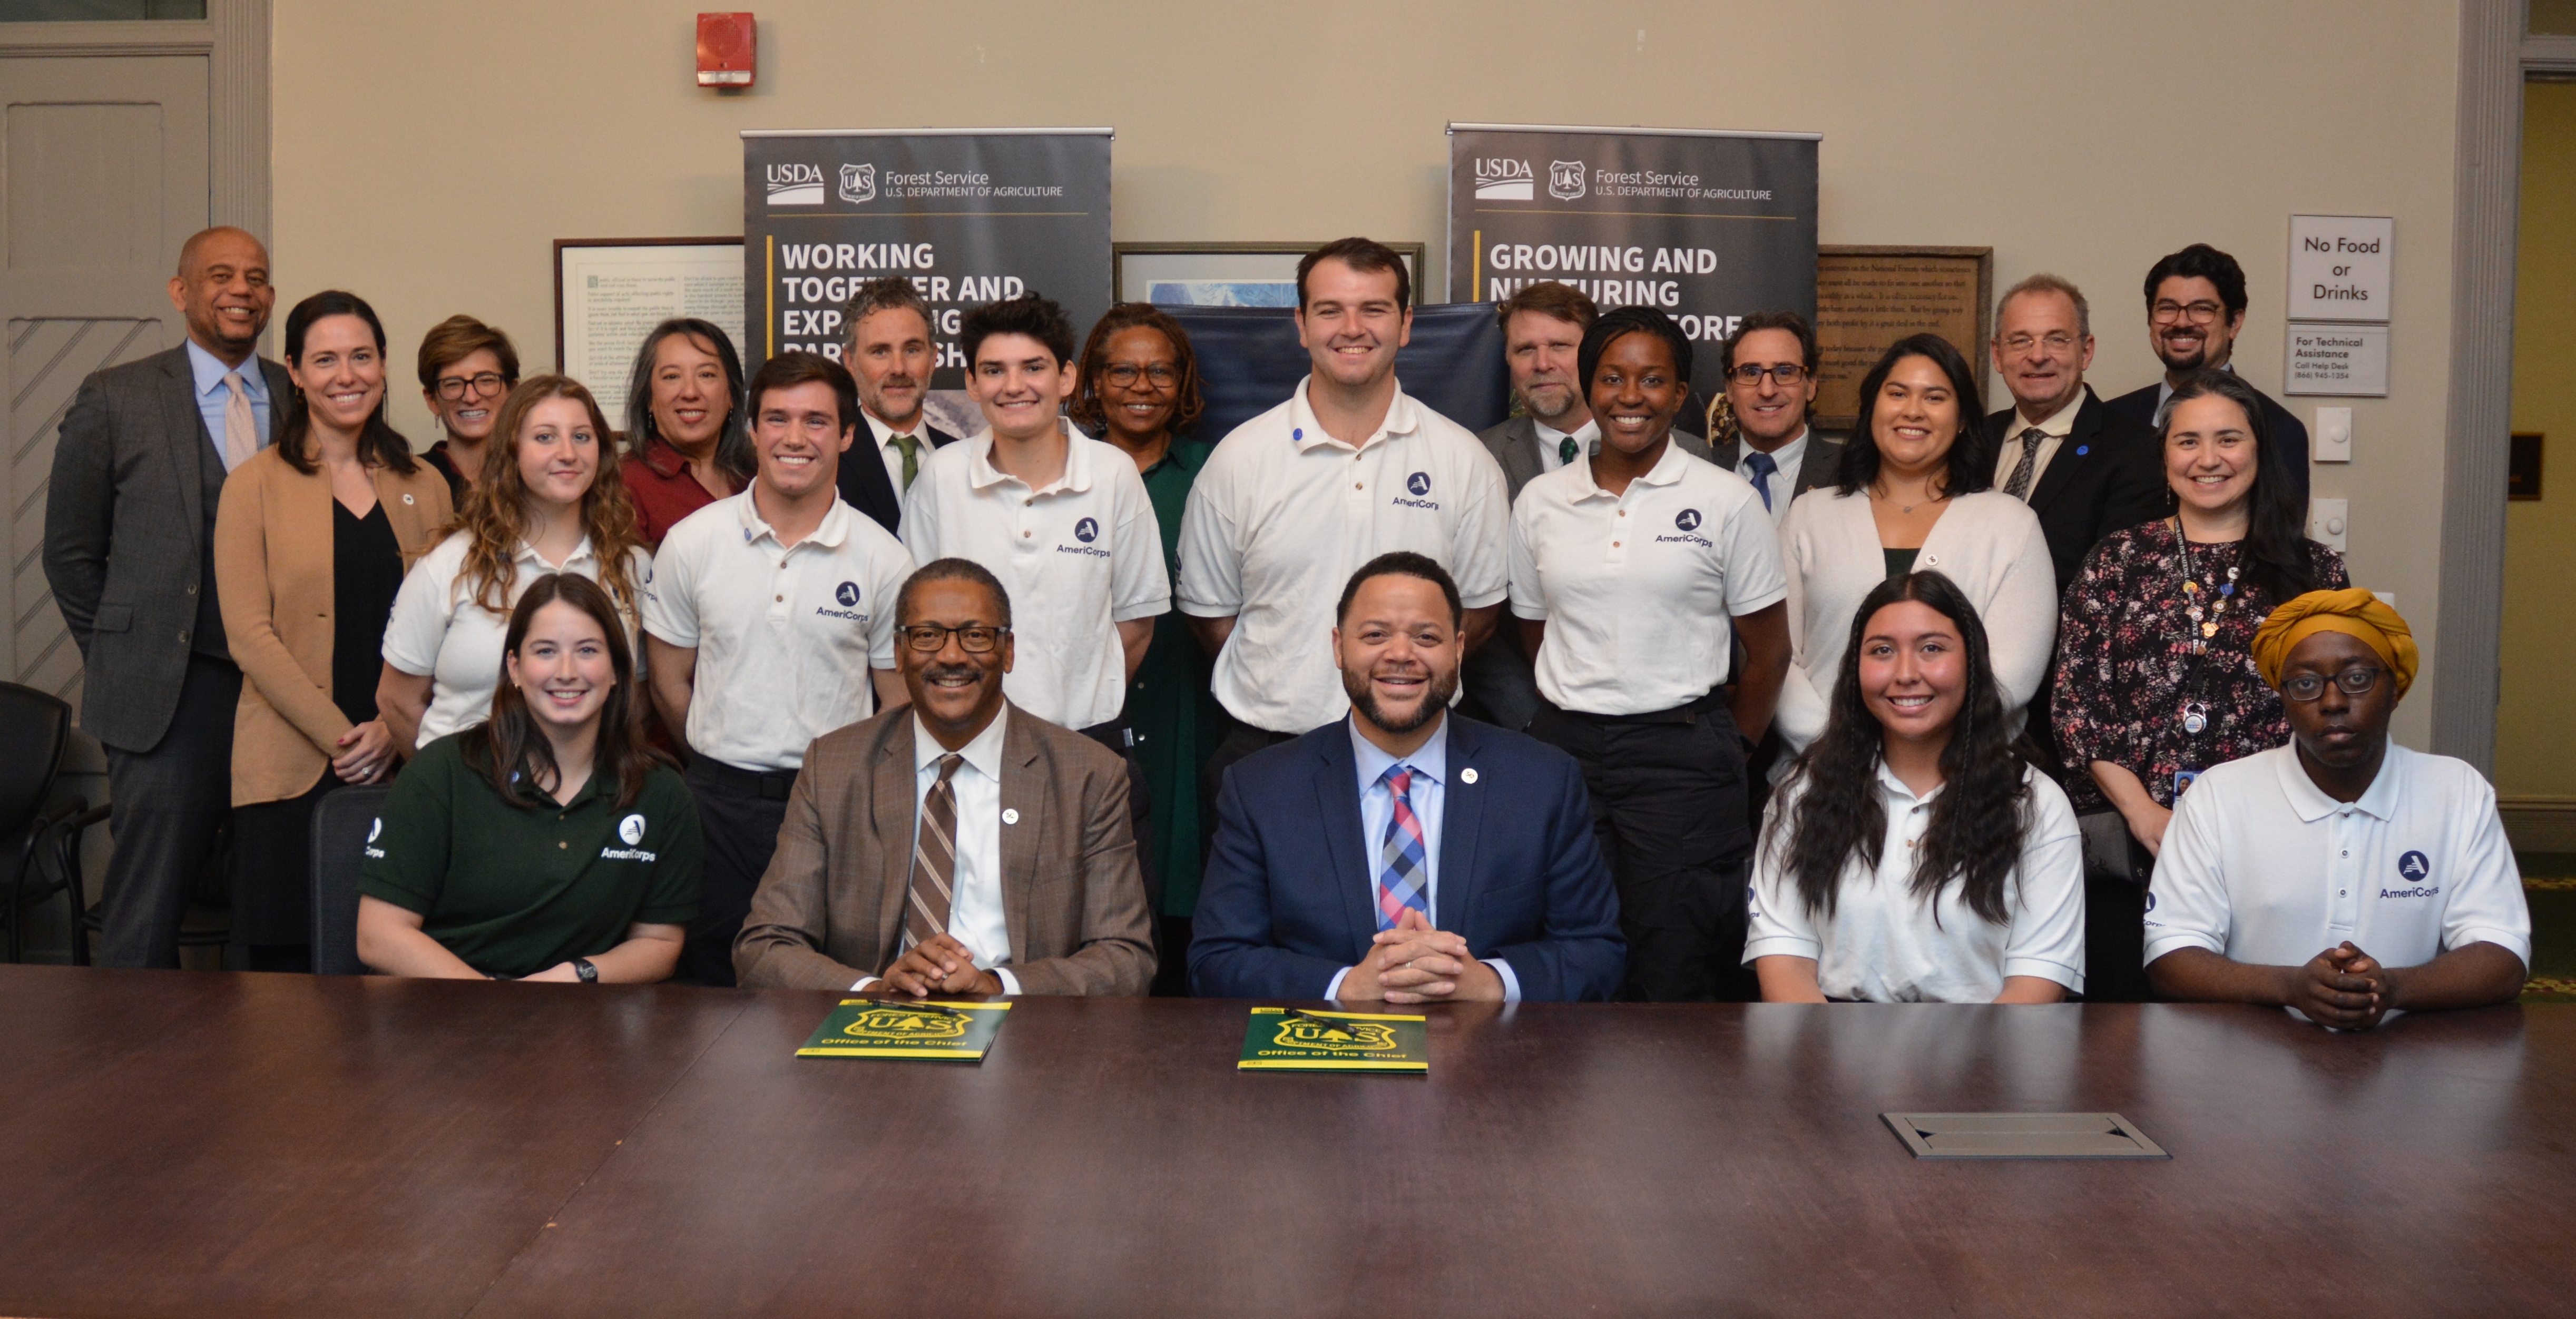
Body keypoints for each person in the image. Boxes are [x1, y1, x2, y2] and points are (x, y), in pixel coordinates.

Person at [1189, 554, 1626, 1003]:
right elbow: (1217, 961)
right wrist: (1346, 986)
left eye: (1426, 637)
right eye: (1375, 635)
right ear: (1339, 647)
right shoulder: (1261, 788)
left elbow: (1596, 951)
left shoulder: (1541, 781)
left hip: (1494, 1057)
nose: (1400, 654)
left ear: (1457, 649)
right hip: (1324, 1058)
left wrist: (1491, 983)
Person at [1508, 307, 1789, 1001]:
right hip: (1566, 754)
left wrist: (1731, 747)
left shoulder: (1725, 501)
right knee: (1567, 946)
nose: (1630, 397)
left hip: (1683, 758)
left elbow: (1769, 652)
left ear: (1681, 394)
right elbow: (1534, 629)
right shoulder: (1541, 501)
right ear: (1588, 383)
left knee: (1678, 960)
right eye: (1612, 377)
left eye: (1652, 380)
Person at [1178, 237, 1511, 811]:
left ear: (1405, 324)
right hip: (1268, 753)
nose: (1351, 327)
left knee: (1408, 906)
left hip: (1419, 756)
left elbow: (1477, 613)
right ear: (1301, 324)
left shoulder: (1463, 460)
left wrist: (1398, 691)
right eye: (1329, 310)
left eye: (1373, 309)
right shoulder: (1239, 459)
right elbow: (1212, 617)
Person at [734, 558, 1156, 995]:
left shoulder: (1088, 775)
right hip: (870, 1033)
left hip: (1023, 1036)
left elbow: (1125, 958)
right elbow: (764, 947)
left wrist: (996, 986)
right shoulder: (834, 767)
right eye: (927, 636)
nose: (951, 656)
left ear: (1008, 650)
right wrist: (874, 990)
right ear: (899, 653)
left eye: (975, 635)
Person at [2054, 370, 2346, 1000]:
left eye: (2227, 439)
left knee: (2255, 1034)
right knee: (2120, 1041)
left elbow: (2333, 713)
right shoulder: (2116, 560)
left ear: (2259, 453)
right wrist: (2144, 814)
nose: (2207, 459)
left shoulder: (2313, 572)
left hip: (2269, 848)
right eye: (2187, 441)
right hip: (2130, 849)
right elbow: (2078, 706)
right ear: (2163, 457)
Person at [43, 226, 283, 968]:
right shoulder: (115, 398)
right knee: (148, 910)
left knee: (271, 896)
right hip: (165, 699)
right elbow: (71, 556)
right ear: (182, 293)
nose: (241, 289)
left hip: (276, 694)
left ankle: (267, 1068)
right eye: (220, 275)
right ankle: (134, 1072)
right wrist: (125, 652)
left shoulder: (298, 394)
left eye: (256, 276)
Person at [644, 351, 914, 986]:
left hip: (836, 809)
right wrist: (724, 760)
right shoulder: (692, 541)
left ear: (847, 434)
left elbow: (896, 705)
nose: (795, 438)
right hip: (717, 806)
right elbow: (668, 681)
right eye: (778, 419)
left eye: (817, 421)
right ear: (751, 428)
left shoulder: (884, 558)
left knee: (829, 983)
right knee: (711, 984)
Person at [2144, 591, 2530, 1026]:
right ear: (2283, 698)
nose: (2332, 701)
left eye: (2357, 679)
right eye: (2306, 683)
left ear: (2395, 688)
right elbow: (2170, 958)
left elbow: (2502, 957)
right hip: (2250, 1067)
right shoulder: (2219, 795)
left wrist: (2390, 990)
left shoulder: (2456, 791)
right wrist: (2290, 988)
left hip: (2413, 1065)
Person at [214, 290, 453, 973]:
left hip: (405, 757)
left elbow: (449, 626)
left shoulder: (426, 484)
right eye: (324, 360)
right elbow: (249, 635)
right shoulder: (252, 485)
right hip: (289, 767)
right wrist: (343, 736)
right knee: (286, 988)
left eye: (361, 356)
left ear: (383, 366)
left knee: (401, 972)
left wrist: (387, 725)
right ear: (293, 370)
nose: (345, 375)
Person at [1745, 572, 2085, 1003]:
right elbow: (1785, 964)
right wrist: (1830, 1069)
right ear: (1855, 668)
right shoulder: (1801, 796)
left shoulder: (2035, 804)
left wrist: (1972, 1071)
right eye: (1882, 651)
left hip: (1988, 1054)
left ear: (1972, 662)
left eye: (1931, 649)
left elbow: (2036, 983)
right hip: (1827, 1050)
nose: (1905, 673)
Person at [356, 573, 701, 982]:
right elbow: (379, 935)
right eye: (546, 651)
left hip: (585, 1017)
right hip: (446, 1013)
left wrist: (574, 978)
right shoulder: (441, 773)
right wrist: (497, 1005)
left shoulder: (660, 791)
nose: (567, 671)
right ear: (515, 669)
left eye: (588, 650)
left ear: (616, 671)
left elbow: (659, 944)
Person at [901, 293, 1167, 762]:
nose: (1014, 386)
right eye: (994, 370)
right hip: (965, 740)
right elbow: (914, 624)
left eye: (1033, 367)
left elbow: (1136, 623)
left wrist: (1078, 700)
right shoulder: (941, 477)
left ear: (1066, 378)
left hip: (1087, 738)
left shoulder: (1113, 475)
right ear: (972, 383)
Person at [1774, 333, 2054, 755]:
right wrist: (1832, 749)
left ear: (1961, 419)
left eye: (1935, 397)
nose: (1913, 411)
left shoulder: (2011, 524)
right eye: (1897, 393)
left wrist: (1924, 759)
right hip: (1822, 771)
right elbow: (1778, 657)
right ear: (1872, 408)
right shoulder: (1808, 515)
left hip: (1964, 777)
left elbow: (2011, 674)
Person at [1469, 281, 1712, 734]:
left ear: (1593, 358)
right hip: (1513, 724)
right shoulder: (1473, 459)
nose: (1542, 364)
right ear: (1507, 361)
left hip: (1659, 726)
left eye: (1560, 346)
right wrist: (1533, 717)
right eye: (1524, 349)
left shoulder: (1691, 457)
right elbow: (1478, 611)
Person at [1070, 302, 1223, 993]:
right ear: (1094, 384)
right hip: (1085, 702)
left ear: (1184, 382)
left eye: (1161, 370)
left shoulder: (1214, 473)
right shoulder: (1068, 472)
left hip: (1189, 692)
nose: (1142, 385)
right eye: (1123, 370)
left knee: (1180, 848)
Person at [378, 376, 652, 753]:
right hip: (472, 795)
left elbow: (633, 701)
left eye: (582, 437)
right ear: (512, 451)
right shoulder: (451, 565)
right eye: (545, 437)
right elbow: (397, 701)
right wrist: (449, 790)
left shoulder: (631, 568)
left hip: (587, 799)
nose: (568, 453)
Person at [1981, 274, 2167, 592]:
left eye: (2057, 339)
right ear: (1998, 355)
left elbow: (2117, 587)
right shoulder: (1973, 440)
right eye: (2020, 340)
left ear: (2086, 351)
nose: (2038, 356)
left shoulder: (2138, 452)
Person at [2104, 243, 2311, 502]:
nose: (2181, 322)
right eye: (2167, 308)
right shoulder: (2108, 421)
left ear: (2234, 323)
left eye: (2202, 309)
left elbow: (2281, 538)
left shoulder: (2279, 429)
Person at [835, 277, 964, 536]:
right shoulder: (828, 461)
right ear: (850, 361)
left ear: (933, 358)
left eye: (912, 350)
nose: (898, 368)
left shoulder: (965, 460)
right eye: (880, 352)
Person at [619, 318, 754, 548]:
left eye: (706, 375)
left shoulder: (757, 474)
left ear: (732, 394)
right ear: (649, 398)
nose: (690, 392)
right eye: (672, 377)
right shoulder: (627, 482)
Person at [1709, 311, 1842, 529]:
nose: (1767, 390)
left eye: (1785, 372)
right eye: (1751, 373)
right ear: (1730, 389)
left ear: (1811, 385)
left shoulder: (1852, 471)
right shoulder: (1701, 468)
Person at [415, 314, 520, 507]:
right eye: (453, 384)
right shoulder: (409, 482)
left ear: (512, 392)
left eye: (486, 380)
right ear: (432, 400)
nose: (471, 398)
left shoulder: (536, 477)